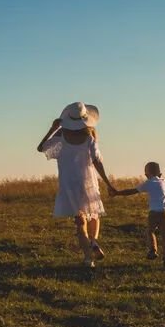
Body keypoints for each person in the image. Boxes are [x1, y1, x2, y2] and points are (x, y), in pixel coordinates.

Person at [37, 102, 116, 268]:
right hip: (88, 182)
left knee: (80, 221)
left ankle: (88, 258)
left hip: (69, 184)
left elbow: (41, 148)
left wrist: (52, 129)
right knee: (94, 215)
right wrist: (108, 183)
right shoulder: (90, 138)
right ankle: (93, 242)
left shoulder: (61, 136)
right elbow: (97, 162)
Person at [110, 161, 165, 271]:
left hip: (153, 213)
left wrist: (117, 193)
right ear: (160, 174)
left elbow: (132, 191)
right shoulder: (164, 181)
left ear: (147, 175)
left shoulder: (148, 183)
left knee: (150, 231)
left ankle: (153, 250)